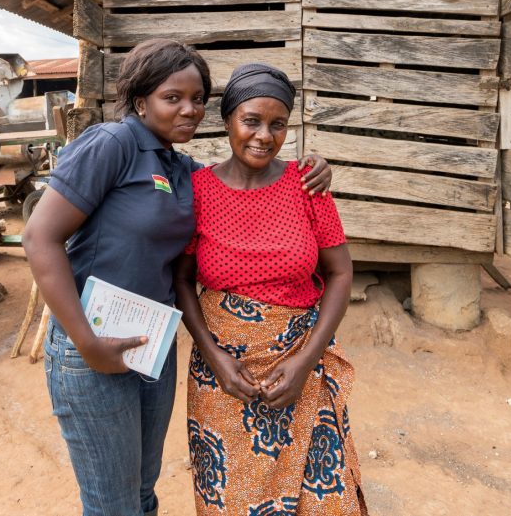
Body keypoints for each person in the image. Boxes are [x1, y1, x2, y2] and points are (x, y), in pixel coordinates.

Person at [23, 40, 332, 516]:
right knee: (112, 506)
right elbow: (39, 238)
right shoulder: (112, 145)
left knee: (143, 493)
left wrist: (311, 169)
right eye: (173, 97)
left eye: (198, 99)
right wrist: (85, 342)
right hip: (92, 343)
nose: (189, 109)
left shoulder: (180, 167)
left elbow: (237, 182)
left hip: (152, 345)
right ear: (141, 99)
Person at [174, 62, 368, 516]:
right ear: (227, 123)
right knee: (231, 502)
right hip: (224, 375)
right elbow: (181, 279)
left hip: (300, 364)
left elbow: (340, 274)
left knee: (322, 499)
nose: (264, 135)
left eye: (277, 124)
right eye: (251, 121)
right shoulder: (197, 190)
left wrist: (306, 361)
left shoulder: (306, 185)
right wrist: (213, 356)